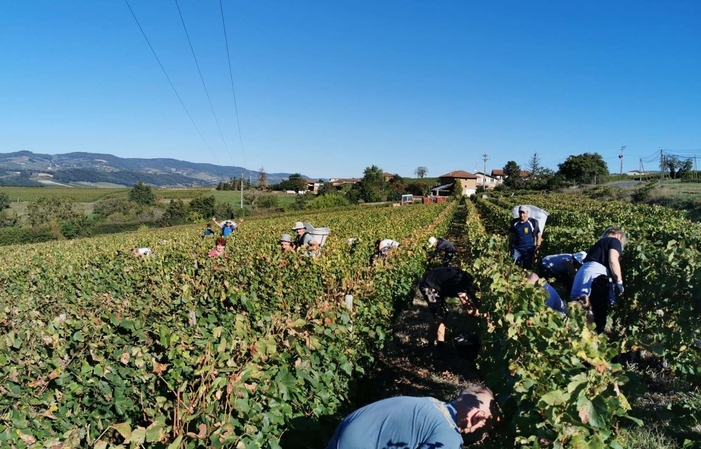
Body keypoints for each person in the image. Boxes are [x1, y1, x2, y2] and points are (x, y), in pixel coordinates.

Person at [326, 385, 499, 449]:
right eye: (486, 429)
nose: (484, 436)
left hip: (342, 436)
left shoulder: (431, 404)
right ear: (478, 416)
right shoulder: (448, 436)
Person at [570, 227, 627, 333]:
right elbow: (613, 260)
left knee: (579, 308)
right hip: (596, 276)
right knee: (598, 314)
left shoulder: (599, 243)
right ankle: (594, 340)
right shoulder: (614, 241)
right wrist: (619, 281)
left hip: (582, 274)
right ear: (618, 235)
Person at [419, 267, 478, 348]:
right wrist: (483, 316)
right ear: (470, 287)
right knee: (440, 316)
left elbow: (476, 301)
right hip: (428, 284)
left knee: (444, 314)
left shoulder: (470, 282)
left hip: (439, 285)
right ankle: (430, 343)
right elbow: (470, 310)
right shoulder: (461, 284)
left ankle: (440, 345)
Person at [509, 205, 542, 270]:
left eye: (523, 213)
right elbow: (511, 236)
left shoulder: (532, 222)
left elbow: (539, 235)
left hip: (528, 250)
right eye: (520, 213)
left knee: (527, 268)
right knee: (515, 267)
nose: (522, 215)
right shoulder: (515, 223)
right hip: (517, 249)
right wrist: (510, 248)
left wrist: (537, 248)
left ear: (527, 213)